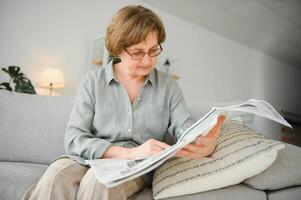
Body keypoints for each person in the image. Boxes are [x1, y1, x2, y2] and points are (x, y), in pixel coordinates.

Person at [22, 5, 225, 200]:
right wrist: (128, 152)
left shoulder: (168, 87)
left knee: (101, 181)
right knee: (56, 176)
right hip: (85, 159)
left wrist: (201, 139)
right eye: (137, 53)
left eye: (154, 50)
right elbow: (75, 138)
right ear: (118, 49)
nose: (148, 60)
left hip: (135, 167)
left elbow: (184, 126)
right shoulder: (92, 82)